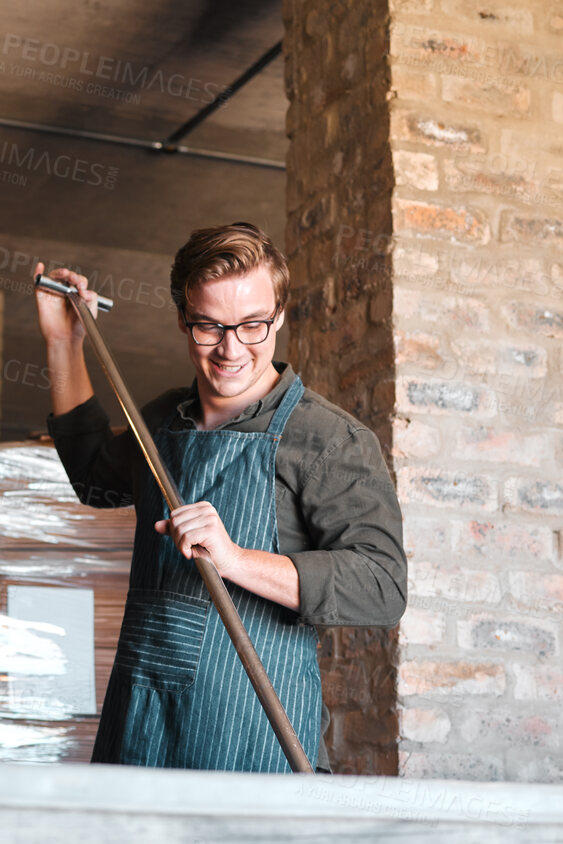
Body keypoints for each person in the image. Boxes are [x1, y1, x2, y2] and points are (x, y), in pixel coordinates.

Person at [34, 222, 406, 772]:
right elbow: (93, 478)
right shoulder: (161, 420)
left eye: (253, 325)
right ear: (184, 319)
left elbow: (382, 586)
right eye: (209, 327)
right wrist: (63, 344)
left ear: (278, 316)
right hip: (140, 731)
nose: (231, 349)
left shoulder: (328, 440)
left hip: (253, 739)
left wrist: (234, 560)